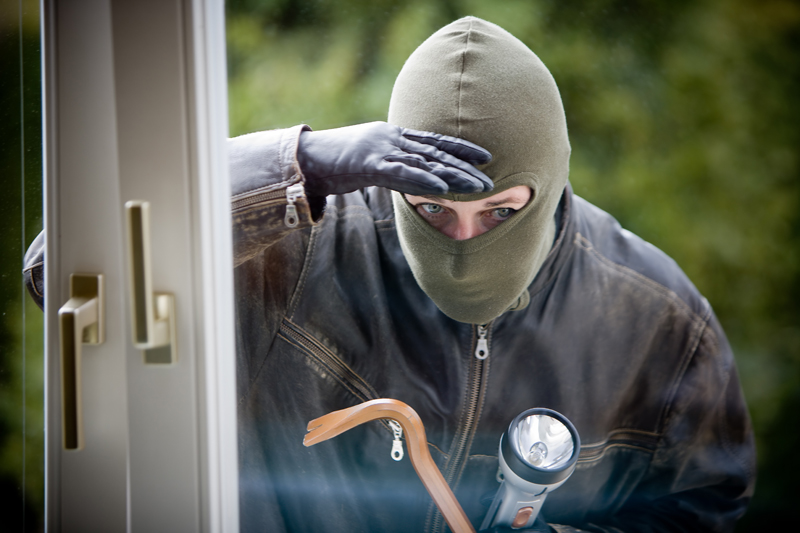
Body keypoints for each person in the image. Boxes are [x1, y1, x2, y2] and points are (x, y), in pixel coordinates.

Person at [26, 17, 755, 533]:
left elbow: (705, 505)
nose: (465, 243)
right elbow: (62, 267)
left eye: (500, 213)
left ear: (553, 181)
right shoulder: (293, 250)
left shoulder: (657, 317)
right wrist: (298, 164)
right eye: (432, 211)